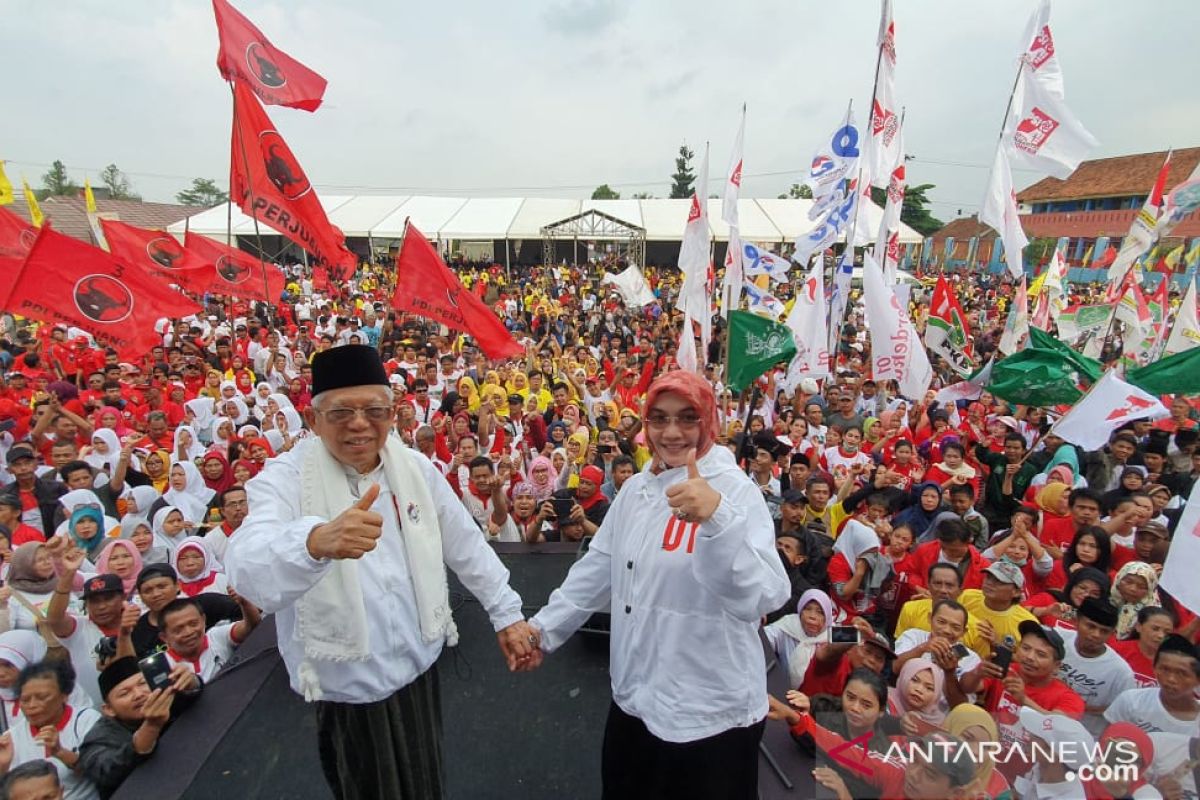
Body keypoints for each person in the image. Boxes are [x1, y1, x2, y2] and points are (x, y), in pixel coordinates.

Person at [225, 345, 537, 800]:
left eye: (374, 410)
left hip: (418, 670)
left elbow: (464, 542)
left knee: (425, 784)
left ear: (393, 413)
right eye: (341, 412)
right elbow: (245, 563)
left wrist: (505, 612)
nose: (359, 424)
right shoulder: (288, 479)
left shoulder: (412, 467)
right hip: (347, 690)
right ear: (312, 421)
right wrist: (313, 543)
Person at [527, 370, 790, 799]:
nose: (672, 432)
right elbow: (597, 570)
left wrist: (718, 518)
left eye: (688, 418)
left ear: (709, 422)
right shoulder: (637, 491)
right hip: (635, 698)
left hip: (710, 716)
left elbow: (765, 595)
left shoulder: (734, 491)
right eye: (659, 419)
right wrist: (543, 631)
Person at [77, 655, 201, 799]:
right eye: (125, 693)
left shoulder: (162, 695)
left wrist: (191, 682)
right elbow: (107, 771)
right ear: (108, 709)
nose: (138, 695)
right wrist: (151, 727)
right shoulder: (98, 738)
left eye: (142, 683)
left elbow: (193, 696)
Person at [0, 660, 102, 800]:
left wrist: (61, 753)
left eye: (42, 697)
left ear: (64, 696)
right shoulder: (10, 739)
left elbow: (106, 771)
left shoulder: (86, 721)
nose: (32, 705)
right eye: (25, 700)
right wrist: (2, 768)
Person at [1054, 597, 1136, 735]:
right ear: (1077, 620)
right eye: (1090, 626)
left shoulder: (1121, 672)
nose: (1095, 635)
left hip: (1082, 739)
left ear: (1112, 633)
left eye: (1104, 631)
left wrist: (1078, 707)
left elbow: (1122, 713)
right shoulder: (1056, 639)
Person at [1105, 634, 1200, 735]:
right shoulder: (1131, 701)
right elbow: (1109, 742)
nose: (1171, 679)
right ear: (1154, 669)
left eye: (1181, 673)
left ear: (1197, 679)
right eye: (1165, 669)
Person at [159, 596, 260, 682]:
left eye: (193, 624)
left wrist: (244, 603)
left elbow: (250, 626)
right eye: (178, 630)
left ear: (203, 620)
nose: (189, 632)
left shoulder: (216, 636)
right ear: (164, 637)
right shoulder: (162, 666)